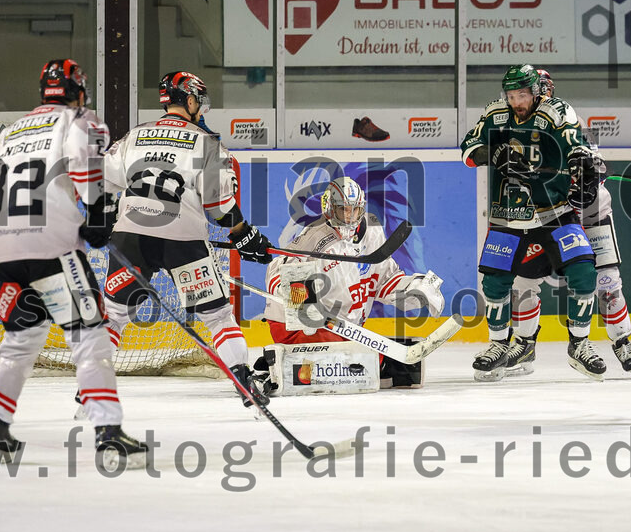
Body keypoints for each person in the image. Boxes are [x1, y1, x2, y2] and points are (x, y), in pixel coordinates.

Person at [0, 59, 147, 469]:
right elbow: (85, 166)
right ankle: (109, 436)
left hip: (0, 253)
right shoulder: (78, 120)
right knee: (90, 338)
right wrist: (98, 216)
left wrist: (9, 235)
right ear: (79, 91)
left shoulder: (9, 132)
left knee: (20, 340)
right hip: (53, 251)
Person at [101, 70, 274, 407]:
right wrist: (244, 234)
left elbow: (102, 183)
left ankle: (92, 381)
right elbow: (220, 207)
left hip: (130, 235)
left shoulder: (133, 136)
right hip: (182, 238)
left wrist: (107, 222)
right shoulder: (207, 143)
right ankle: (242, 378)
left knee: (114, 314)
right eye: (200, 102)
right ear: (191, 100)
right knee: (217, 316)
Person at [461, 64, 604, 382]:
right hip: (508, 212)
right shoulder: (496, 113)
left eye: (522, 95)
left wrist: (582, 163)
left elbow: (575, 146)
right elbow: (468, 150)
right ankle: (498, 345)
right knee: (495, 281)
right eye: (511, 95)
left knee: (583, 270)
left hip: (554, 209)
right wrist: (493, 153)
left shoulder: (556, 111)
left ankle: (579, 344)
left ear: (536, 93)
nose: (516, 102)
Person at [500, 71, 631, 378]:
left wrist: (588, 176)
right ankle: (524, 343)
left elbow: (592, 167)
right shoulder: (515, 134)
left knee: (606, 280)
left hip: (589, 214)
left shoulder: (569, 124)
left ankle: (621, 340)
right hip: (545, 215)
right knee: (524, 279)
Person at [257, 177, 445, 391]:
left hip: (341, 329)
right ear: (329, 210)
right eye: (342, 210)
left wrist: (414, 289)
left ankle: (305, 363)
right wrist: (302, 302)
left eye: (354, 210)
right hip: (296, 328)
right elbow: (276, 271)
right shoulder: (315, 238)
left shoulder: (372, 229)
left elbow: (384, 279)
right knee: (366, 356)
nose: (349, 217)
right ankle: (279, 363)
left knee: (372, 357)